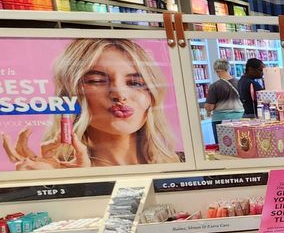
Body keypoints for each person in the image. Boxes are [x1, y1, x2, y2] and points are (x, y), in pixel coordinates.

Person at [2, 38, 180, 169]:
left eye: (135, 83)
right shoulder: (60, 170)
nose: (120, 95)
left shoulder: (181, 163)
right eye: (97, 81)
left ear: (152, 94)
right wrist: (52, 185)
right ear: (70, 93)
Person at [204, 59, 244, 142]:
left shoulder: (215, 86)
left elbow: (210, 107)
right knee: (239, 143)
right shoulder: (240, 83)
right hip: (239, 118)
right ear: (228, 68)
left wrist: (206, 106)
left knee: (223, 144)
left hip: (221, 119)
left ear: (217, 71)